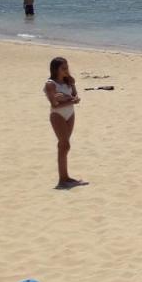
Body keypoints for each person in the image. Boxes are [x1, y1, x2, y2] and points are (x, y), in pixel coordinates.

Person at [44, 56, 82, 188]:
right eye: (63, 68)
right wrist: (70, 100)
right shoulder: (50, 84)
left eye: (67, 67)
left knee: (64, 146)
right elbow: (55, 105)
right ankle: (62, 180)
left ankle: (66, 178)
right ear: (56, 69)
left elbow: (75, 97)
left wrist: (70, 96)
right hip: (57, 115)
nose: (66, 70)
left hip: (70, 114)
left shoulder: (69, 81)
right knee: (64, 145)